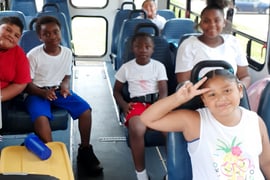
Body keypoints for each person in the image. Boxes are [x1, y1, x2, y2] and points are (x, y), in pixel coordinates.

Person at [141, 69, 270, 179]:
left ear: (240, 90)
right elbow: (148, 119)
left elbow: (266, 163)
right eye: (212, 94)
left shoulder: (255, 121)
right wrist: (178, 99)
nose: (221, 98)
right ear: (204, 100)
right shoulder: (195, 122)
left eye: (227, 91)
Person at [24, 16, 103, 176]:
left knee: (85, 110)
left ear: (61, 33)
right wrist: (43, 93)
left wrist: (65, 87)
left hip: (59, 91)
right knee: (41, 118)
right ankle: (51, 156)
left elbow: (66, 76)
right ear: (40, 37)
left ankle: (85, 149)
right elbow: (27, 84)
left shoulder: (67, 53)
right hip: (37, 92)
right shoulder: (33, 55)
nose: (52, 36)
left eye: (55, 32)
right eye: (47, 34)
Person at [113, 32, 168, 180]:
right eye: (138, 46)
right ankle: (141, 174)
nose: (143, 50)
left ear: (153, 49)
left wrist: (159, 107)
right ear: (133, 48)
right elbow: (116, 91)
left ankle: (172, 170)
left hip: (156, 103)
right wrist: (124, 105)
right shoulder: (126, 68)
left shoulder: (158, 67)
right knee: (137, 129)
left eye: (147, 46)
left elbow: (163, 91)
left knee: (170, 131)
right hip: (136, 104)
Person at [175, 2, 251, 88]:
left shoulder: (233, 42)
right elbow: (184, 83)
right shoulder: (188, 45)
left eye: (217, 20)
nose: (212, 25)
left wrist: (237, 90)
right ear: (200, 24)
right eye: (206, 21)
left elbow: (244, 76)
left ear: (224, 23)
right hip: (198, 96)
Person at [0, 16, 31, 121]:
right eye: (8, 30)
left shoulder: (19, 55)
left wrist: (0, 96)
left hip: (3, 95)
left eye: (16, 35)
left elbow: (20, 84)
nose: (11, 36)